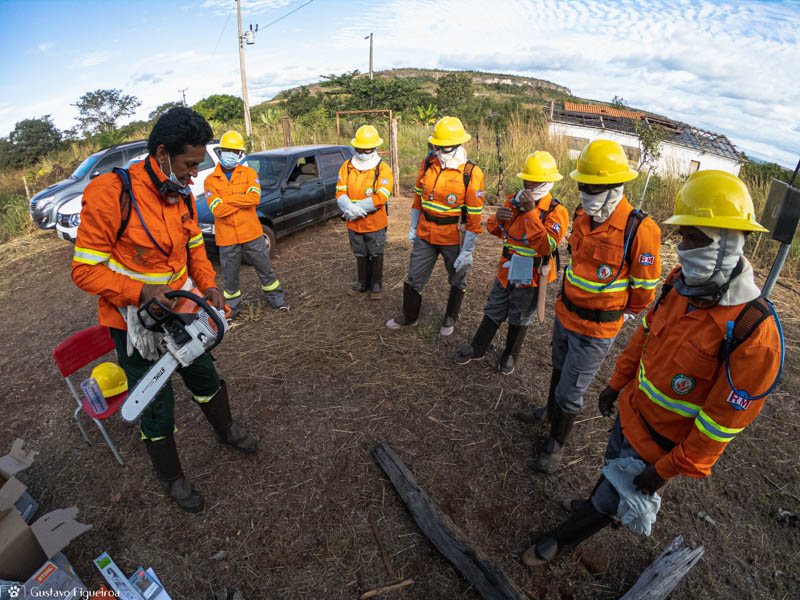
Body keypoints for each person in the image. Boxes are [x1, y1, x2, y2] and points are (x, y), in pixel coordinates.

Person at [522, 170, 782, 566]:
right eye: (683, 236)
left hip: (661, 447)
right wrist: (616, 385)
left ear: (729, 241)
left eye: (694, 238)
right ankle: (594, 502)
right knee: (612, 472)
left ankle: (561, 539)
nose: (683, 248)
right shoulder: (681, 286)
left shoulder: (753, 332)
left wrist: (665, 471)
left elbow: (721, 424)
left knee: (616, 498)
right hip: (629, 415)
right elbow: (644, 336)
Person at [72, 108, 257, 513]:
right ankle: (172, 477)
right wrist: (139, 292)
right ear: (161, 154)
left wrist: (209, 285)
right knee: (154, 401)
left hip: (182, 312)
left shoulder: (182, 193)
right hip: (132, 322)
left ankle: (227, 430)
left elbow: (193, 250)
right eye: (191, 163)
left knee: (204, 373)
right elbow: (84, 271)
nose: (196, 174)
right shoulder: (111, 193)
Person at [521, 139, 662, 474]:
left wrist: (615, 310)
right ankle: (550, 413)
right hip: (565, 315)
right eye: (583, 184)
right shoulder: (583, 215)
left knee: (572, 390)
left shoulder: (640, 229)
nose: (585, 191)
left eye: (594, 187)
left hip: (596, 329)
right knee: (558, 370)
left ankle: (555, 446)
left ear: (616, 187)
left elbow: (643, 292)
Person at [453, 151, 569, 375]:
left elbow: (546, 246)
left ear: (547, 182)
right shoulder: (513, 200)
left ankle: (509, 355)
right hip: (507, 269)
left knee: (521, 315)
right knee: (494, 307)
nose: (528, 184)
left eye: (533, 181)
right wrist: (499, 217)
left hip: (533, 275)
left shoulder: (557, 212)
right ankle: (478, 348)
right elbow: (494, 229)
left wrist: (531, 213)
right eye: (526, 179)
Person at [386, 116, 485, 336]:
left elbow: (475, 216)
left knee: (457, 277)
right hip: (425, 233)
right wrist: (413, 226)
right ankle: (409, 316)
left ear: (458, 144)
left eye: (444, 147)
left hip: (453, 237)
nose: (439, 150)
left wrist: (468, 249)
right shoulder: (429, 162)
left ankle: (450, 317)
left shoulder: (470, 173)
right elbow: (418, 197)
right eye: (437, 146)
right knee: (414, 276)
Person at [204, 130, 285, 317]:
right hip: (227, 238)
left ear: (240, 154)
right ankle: (232, 309)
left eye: (234, 151)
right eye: (227, 150)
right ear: (220, 152)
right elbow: (217, 210)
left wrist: (228, 200)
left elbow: (254, 199)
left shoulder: (249, 173)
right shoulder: (210, 180)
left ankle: (277, 300)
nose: (230, 154)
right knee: (230, 279)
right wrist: (241, 198)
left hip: (252, 234)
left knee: (266, 270)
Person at [336, 124, 394, 299]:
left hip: (374, 222)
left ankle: (376, 285)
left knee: (375, 252)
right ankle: (362, 283)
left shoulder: (382, 168)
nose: (364, 152)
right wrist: (348, 207)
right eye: (361, 149)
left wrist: (357, 208)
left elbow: (381, 196)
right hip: (354, 222)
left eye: (368, 149)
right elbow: (340, 191)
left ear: (374, 148)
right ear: (355, 148)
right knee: (360, 252)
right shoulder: (347, 166)